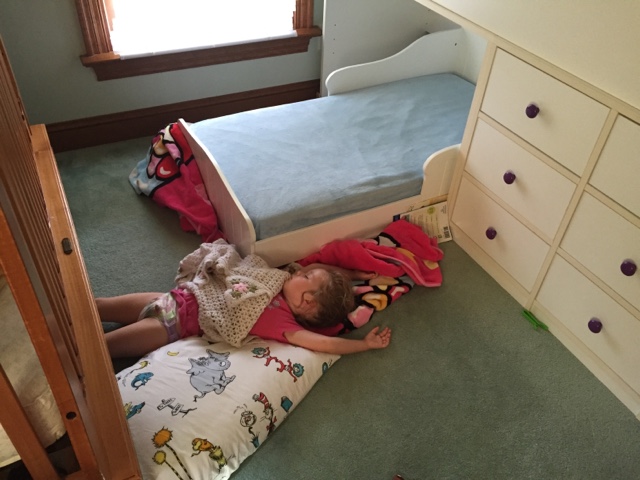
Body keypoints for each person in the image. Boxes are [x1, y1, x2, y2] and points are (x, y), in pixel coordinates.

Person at [97, 261, 392, 359]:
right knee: (99, 307)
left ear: (308, 303)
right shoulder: (278, 281)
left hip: (171, 327)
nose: (299, 270)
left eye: (305, 276)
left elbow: (325, 344)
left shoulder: (284, 324)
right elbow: (321, 267)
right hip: (176, 297)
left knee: (99, 349)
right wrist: (356, 275)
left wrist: (363, 345)